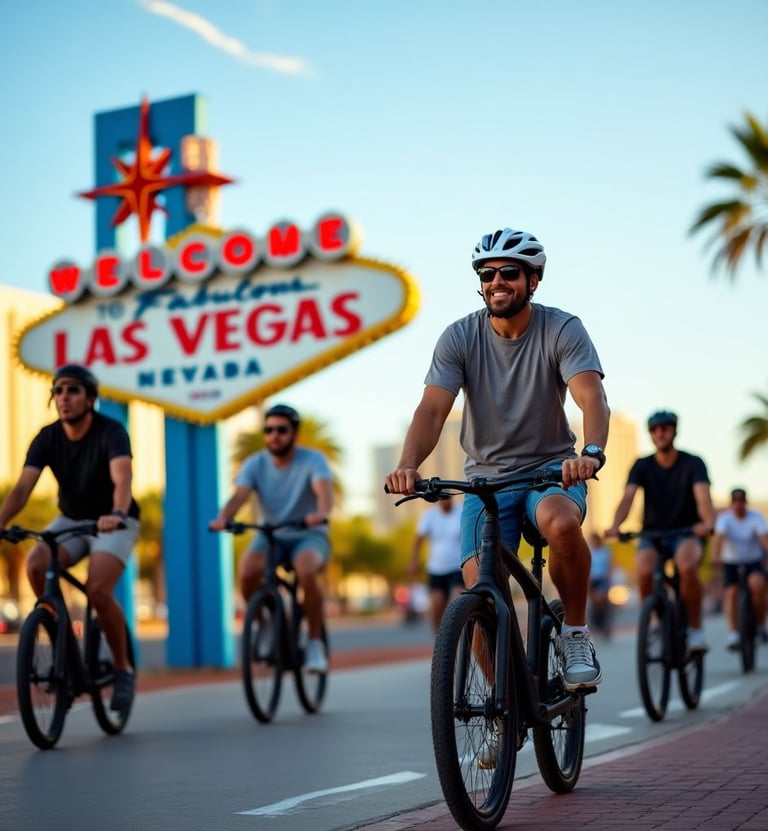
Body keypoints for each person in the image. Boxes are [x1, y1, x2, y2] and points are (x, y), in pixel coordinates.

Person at [385, 227, 610, 696]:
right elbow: (431, 410)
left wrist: (589, 453)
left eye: (509, 272)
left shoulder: (562, 328)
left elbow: (592, 397)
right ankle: (502, 703)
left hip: (552, 470)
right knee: (479, 587)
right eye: (487, 274)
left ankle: (574, 634)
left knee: (561, 523)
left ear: (534, 280)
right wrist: (408, 464)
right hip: (487, 480)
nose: (497, 282)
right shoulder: (459, 337)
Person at [0, 364, 141, 711]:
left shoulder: (111, 432)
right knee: (36, 563)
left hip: (115, 520)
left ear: (90, 398)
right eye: (58, 390)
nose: (64, 397)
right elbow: (22, 488)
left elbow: (122, 480)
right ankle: (62, 642)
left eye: (73, 390)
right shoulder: (47, 437)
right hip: (71, 519)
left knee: (97, 589)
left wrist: (117, 514)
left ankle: (122, 669)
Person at [209, 404, 333, 673]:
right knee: (247, 571)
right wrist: (224, 517)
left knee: (307, 571)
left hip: (308, 534)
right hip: (271, 536)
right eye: (268, 430)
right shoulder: (255, 463)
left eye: (281, 430)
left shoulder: (313, 460)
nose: (274, 435)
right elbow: (239, 495)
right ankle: (264, 622)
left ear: (295, 432)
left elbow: (323, 490)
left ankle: (314, 643)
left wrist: (321, 513)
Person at [605, 410, 715, 652]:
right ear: (651, 435)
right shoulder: (642, 465)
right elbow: (628, 498)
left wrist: (707, 522)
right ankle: (655, 621)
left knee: (686, 565)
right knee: (644, 570)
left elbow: (703, 497)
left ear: (674, 431)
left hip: (687, 532)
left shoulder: (693, 463)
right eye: (654, 429)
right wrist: (615, 525)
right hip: (652, 534)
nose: (660, 433)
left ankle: (695, 630)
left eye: (665, 428)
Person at [711, 488, 768, 649]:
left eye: (741, 501)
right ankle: (733, 633)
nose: (738, 505)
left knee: (757, 585)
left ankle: (761, 625)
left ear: (745, 502)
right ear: (731, 504)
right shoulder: (725, 519)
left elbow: (764, 539)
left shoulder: (755, 518)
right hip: (731, 562)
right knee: (731, 593)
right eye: (735, 502)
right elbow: (718, 540)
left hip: (753, 561)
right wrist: (715, 557)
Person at [410, 498, 464, 633]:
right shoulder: (430, 515)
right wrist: (413, 561)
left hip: (457, 567)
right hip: (436, 568)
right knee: (437, 604)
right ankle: (439, 638)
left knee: (457, 600)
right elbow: (419, 539)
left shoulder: (461, 511)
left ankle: (458, 634)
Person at [587, 531, 613, 638]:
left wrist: (608, 577)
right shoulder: (590, 552)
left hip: (602, 579)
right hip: (592, 580)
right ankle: (594, 623)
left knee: (602, 600)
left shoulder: (605, 552)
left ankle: (605, 622)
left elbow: (610, 566)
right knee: (593, 601)